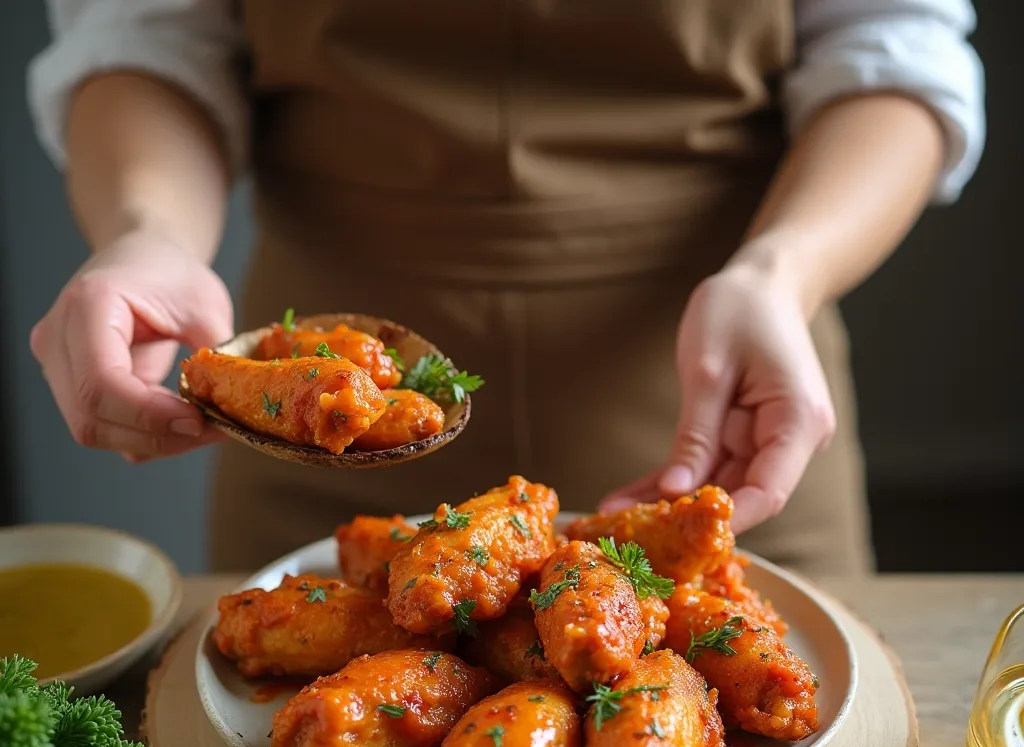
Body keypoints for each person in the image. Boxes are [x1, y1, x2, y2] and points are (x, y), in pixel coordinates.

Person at [27, 0, 984, 575]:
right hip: (314, 435)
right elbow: (145, 36)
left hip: (728, 389)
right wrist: (147, 231)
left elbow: (894, 45)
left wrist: (785, 269)